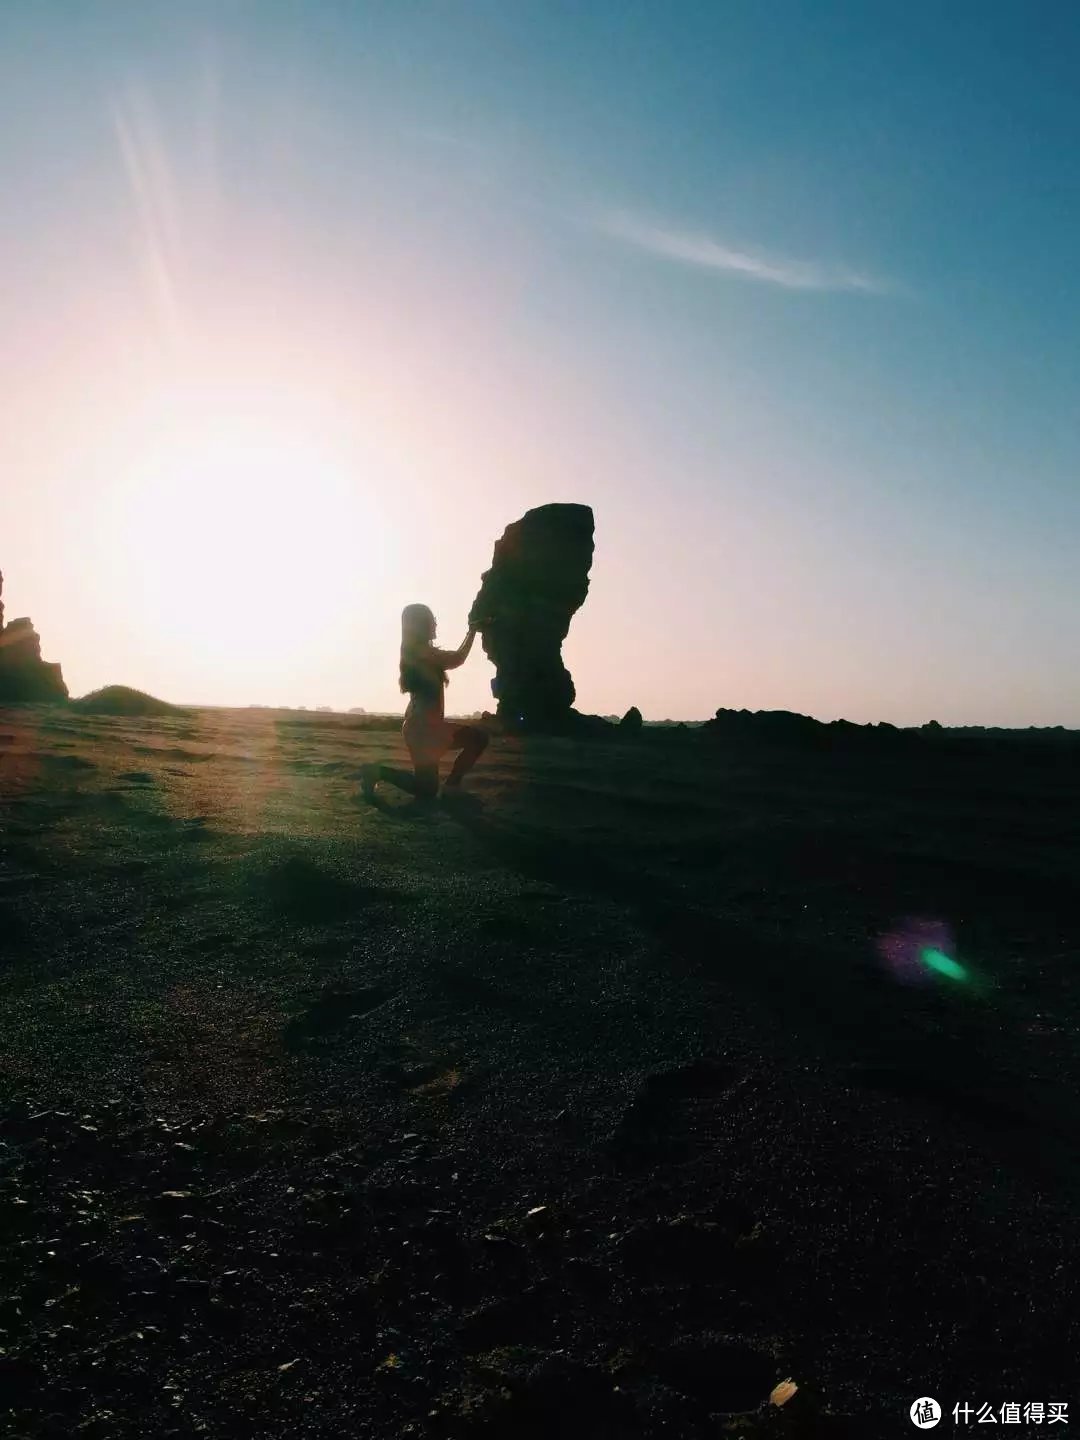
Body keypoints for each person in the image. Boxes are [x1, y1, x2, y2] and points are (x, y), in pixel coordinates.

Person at [361, 603, 489, 803]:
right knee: (427, 787)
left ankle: (377, 773)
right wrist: (472, 631)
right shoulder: (419, 652)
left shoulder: (418, 651)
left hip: (426, 728)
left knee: (428, 787)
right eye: (432, 621)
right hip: (422, 730)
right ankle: (378, 772)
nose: (435, 625)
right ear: (420, 625)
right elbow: (457, 659)